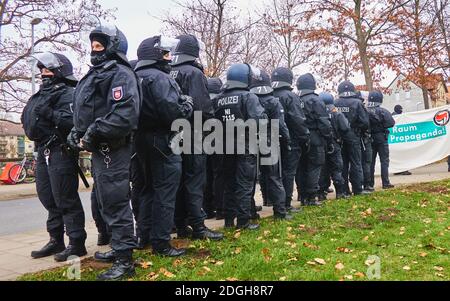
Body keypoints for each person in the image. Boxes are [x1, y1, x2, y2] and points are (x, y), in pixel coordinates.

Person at [68, 24, 140, 280]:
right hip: (99, 147)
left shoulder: (120, 73)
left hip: (114, 146)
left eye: (100, 45)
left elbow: (125, 115)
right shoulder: (95, 73)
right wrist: (77, 130)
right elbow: (86, 109)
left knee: (115, 201)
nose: (94, 49)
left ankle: (125, 260)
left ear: (113, 46)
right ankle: (119, 247)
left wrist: (94, 131)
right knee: (104, 201)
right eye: (93, 45)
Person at [21, 52, 87, 262]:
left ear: (59, 71)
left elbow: (73, 122)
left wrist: (51, 114)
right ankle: (55, 239)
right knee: (48, 197)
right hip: (43, 151)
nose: (43, 73)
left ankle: (76, 243)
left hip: (60, 150)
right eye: (41, 70)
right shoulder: (41, 94)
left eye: (48, 70)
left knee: (65, 198)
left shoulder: (68, 93)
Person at [133, 35, 194, 256]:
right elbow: (173, 113)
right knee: (166, 191)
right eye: (166, 53)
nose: (169, 58)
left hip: (140, 140)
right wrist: (186, 104)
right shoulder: (159, 78)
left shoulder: (134, 76)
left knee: (148, 189)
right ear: (156, 54)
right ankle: (161, 243)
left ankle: (144, 236)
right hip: (163, 139)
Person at [170, 34, 223, 241]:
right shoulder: (193, 72)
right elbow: (202, 107)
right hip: (194, 133)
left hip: (174, 135)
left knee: (178, 181)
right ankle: (199, 227)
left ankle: (181, 225)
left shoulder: (168, 71)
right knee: (194, 181)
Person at [213, 63, 266, 230]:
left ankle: (229, 221)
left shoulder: (218, 99)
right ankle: (243, 221)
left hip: (224, 145)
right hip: (245, 145)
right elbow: (258, 120)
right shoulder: (249, 97)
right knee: (244, 183)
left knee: (229, 183)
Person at [249, 69, 292, 220]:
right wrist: (287, 141)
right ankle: (279, 212)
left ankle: (251, 212)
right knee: (274, 176)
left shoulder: (249, 98)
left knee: (250, 178)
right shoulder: (273, 101)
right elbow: (281, 125)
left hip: (251, 141)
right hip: (269, 141)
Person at [271, 67, 309, 212]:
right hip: (290, 140)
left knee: (273, 173)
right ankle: (285, 203)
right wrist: (305, 136)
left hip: (270, 140)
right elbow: (297, 120)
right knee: (288, 172)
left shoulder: (268, 95)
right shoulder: (290, 96)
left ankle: (275, 202)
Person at [295, 73, 333, 205]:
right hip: (315, 136)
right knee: (314, 167)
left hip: (299, 137)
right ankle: (311, 197)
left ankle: (303, 196)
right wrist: (328, 138)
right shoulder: (316, 100)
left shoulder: (296, 99)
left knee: (301, 167)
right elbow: (324, 122)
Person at [334, 81, 370, 196]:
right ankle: (358, 189)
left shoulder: (335, 103)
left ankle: (344, 190)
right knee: (356, 163)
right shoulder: (358, 103)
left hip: (339, 138)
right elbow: (365, 122)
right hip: (354, 136)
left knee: (342, 164)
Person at [318, 92, 350, 200]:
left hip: (321, 145)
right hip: (335, 144)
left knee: (323, 169)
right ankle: (340, 193)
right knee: (337, 168)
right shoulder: (337, 113)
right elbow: (345, 127)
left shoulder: (318, 113)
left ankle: (321, 194)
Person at [367, 91, 396, 189]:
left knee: (370, 162)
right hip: (381, 137)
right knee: (384, 161)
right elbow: (391, 123)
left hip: (369, 138)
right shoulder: (383, 111)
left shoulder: (364, 110)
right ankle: (385, 183)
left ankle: (370, 184)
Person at [205, 77, 224, 219]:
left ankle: (207, 209)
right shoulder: (220, 101)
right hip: (219, 142)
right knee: (219, 175)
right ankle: (220, 208)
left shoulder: (204, 99)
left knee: (206, 176)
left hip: (204, 141)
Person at [357, 91, 374, 193]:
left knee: (356, 163)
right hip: (364, 138)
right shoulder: (363, 108)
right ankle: (367, 184)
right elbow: (365, 123)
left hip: (353, 137)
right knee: (366, 162)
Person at [392, 104, 412, 175]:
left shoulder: (392, 117)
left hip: (394, 141)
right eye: (401, 109)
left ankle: (397, 170)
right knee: (403, 156)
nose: (402, 111)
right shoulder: (399, 118)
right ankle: (403, 170)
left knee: (396, 157)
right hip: (400, 140)